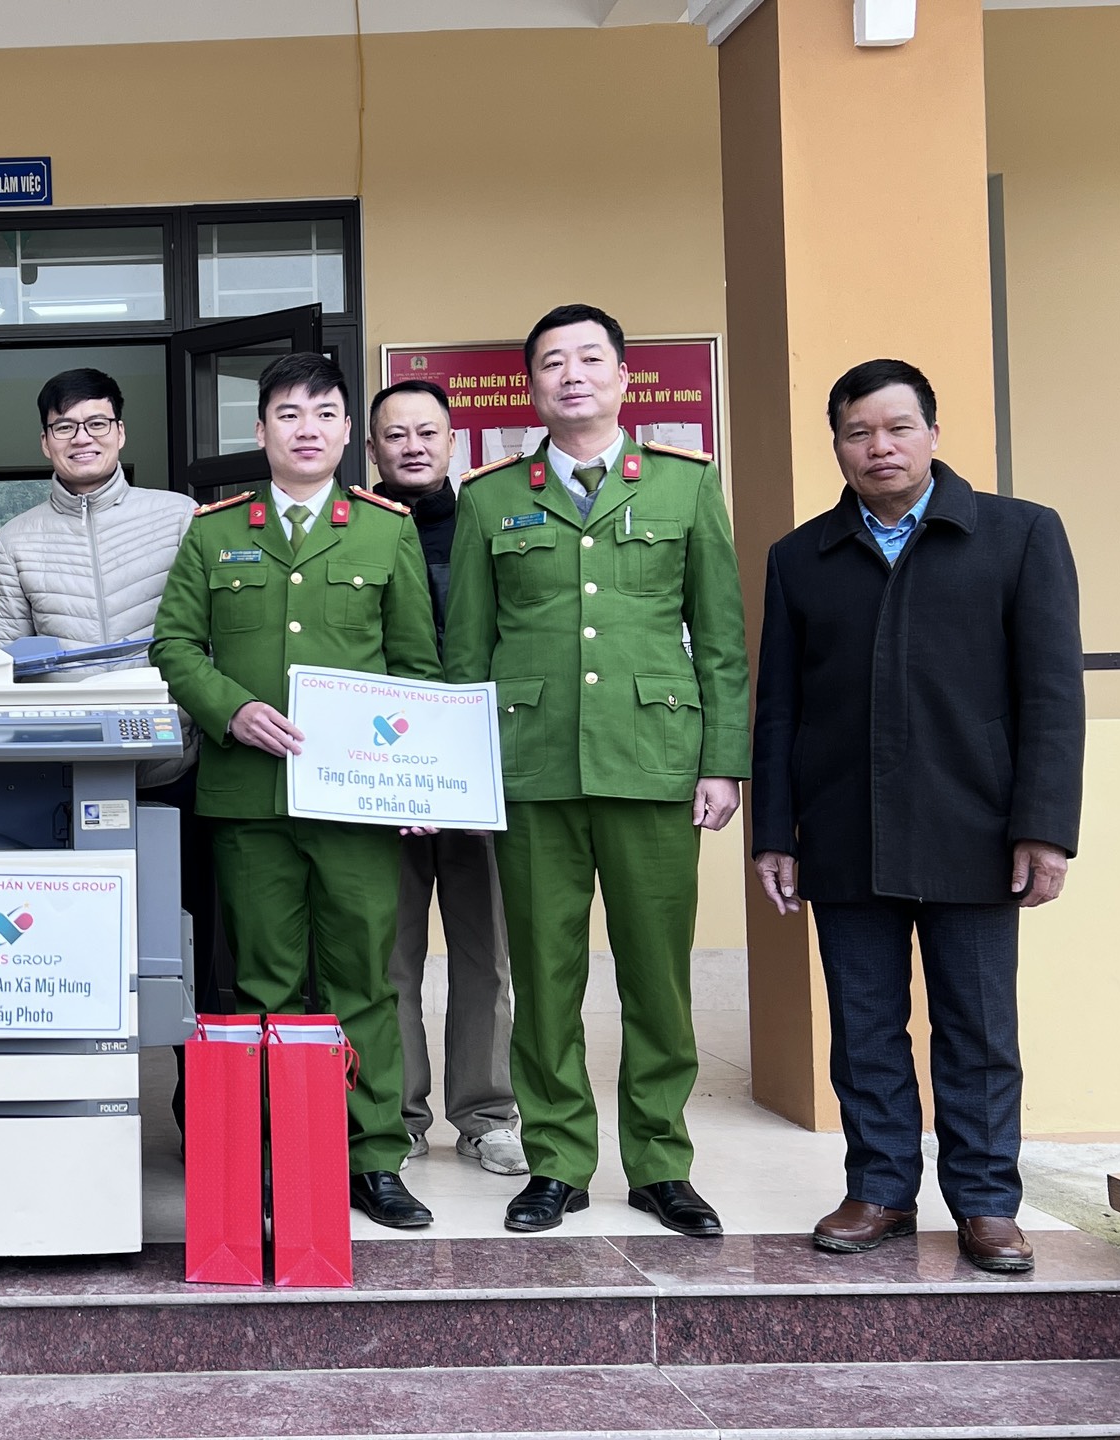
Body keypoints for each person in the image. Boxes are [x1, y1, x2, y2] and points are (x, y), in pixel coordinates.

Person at [752, 359, 1082, 1274]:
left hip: (976, 827)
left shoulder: (1018, 535)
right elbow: (778, 709)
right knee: (863, 1027)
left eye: (898, 428)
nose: (880, 447)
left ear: (933, 433)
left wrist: (1044, 825)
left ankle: (986, 1202)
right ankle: (881, 1189)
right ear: (837, 446)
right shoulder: (801, 557)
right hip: (844, 827)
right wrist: (775, 833)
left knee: (978, 1029)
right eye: (858, 432)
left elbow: (1053, 696)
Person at [443, 303, 750, 1238]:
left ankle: (660, 1164)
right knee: (543, 978)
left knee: (658, 978)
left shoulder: (686, 485)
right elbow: (467, 653)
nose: (571, 375)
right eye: (552, 362)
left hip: (654, 761)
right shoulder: (489, 497)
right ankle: (558, 1162)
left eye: (588, 359)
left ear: (623, 378)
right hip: (531, 767)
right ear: (531, 386)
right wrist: (465, 775)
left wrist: (723, 762)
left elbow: (721, 640)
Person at [152, 352, 440, 1230]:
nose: (305, 429)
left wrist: (411, 782)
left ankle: (373, 1157)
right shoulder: (213, 532)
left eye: (322, 413)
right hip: (248, 801)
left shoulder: (385, 531)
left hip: (355, 802)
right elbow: (175, 646)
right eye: (287, 413)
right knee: (263, 981)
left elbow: (415, 668)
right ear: (260, 431)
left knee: (364, 980)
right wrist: (230, 709)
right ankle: (278, 1150)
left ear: (348, 430)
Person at [0, 368, 223, 1120]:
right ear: (45, 442)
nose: (81, 438)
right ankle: (81, 1109)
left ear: (120, 432)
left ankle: (202, 1108)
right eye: (65, 427)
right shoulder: (16, 539)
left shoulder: (178, 516)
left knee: (189, 940)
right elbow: (6, 661)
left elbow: (210, 635)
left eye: (95, 424)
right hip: (69, 779)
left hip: (177, 765)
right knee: (72, 947)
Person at [362, 380, 526, 1176]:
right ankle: (397, 1113)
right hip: (380, 772)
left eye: (428, 432)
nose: (413, 446)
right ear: (372, 450)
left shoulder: (489, 522)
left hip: (477, 771)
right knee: (388, 954)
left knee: (484, 950)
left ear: (453, 442)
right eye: (396, 435)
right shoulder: (354, 527)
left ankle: (487, 1114)